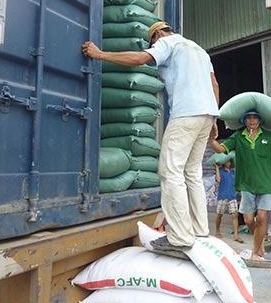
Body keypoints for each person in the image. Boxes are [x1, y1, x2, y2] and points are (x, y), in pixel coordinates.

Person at [82, 21, 220, 252]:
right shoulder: (198, 49)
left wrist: (100, 54)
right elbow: (214, 84)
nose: (153, 46)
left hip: (186, 113)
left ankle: (179, 236)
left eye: (152, 42)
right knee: (192, 172)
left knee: (170, 171)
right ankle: (199, 230)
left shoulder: (167, 42)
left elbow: (139, 59)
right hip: (206, 114)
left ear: (156, 34)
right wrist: (214, 117)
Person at [208, 108, 271, 260]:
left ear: (260, 120)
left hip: (265, 185)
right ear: (244, 120)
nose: (252, 120)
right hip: (246, 185)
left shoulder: (268, 136)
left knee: (261, 218)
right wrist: (211, 140)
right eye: (249, 118)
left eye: (255, 118)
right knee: (248, 220)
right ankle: (259, 241)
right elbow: (221, 150)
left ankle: (255, 252)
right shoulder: (238, 137)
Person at [214, 159, 243, 243]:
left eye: (229, 162)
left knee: (235, 215)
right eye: (226, 162)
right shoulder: (221, 171)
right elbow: (218, 180)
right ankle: (217, 230)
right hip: (222, 196)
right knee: (219, 215)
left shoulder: (233, 173)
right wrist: (216, 167)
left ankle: (236, 235)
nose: (228, 163)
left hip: (232, 196)